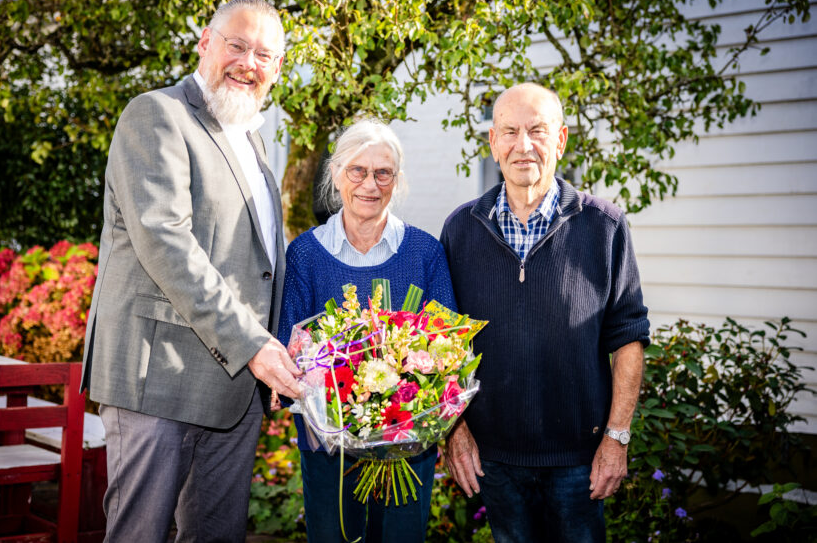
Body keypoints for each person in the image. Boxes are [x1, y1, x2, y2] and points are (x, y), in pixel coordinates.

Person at [80, 0, 302, 543]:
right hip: (158, 381)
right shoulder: (157, 114)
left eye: (265, 55)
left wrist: (281, 346)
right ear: (205, 42)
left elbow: (260, 266)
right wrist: (255, 345)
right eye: (238, 44)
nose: (249, 62)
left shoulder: (252, 141)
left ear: (278, 69)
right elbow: (166, 243)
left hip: (233, 394)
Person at [440, 83, 649, 543]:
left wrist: (617, 439)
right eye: (510, 132)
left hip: (580, 458)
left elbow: (629, 339)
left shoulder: (605, 226)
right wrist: (454, 432)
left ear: (560, 139)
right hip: (493, 457)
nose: (523, 145)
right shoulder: (460, 229)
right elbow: (442, 345)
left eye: (537, 130)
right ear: (492, 142)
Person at [278, 118, 456, 543]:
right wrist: (334, 416)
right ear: (337, 174)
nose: (370, 184)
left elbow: (449, 353)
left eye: (383, 173)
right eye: (358, 170)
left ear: (397, 180)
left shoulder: (425, 252)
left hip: (408, 452)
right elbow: (291, 352)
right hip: (330, 455)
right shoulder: (305, 254)